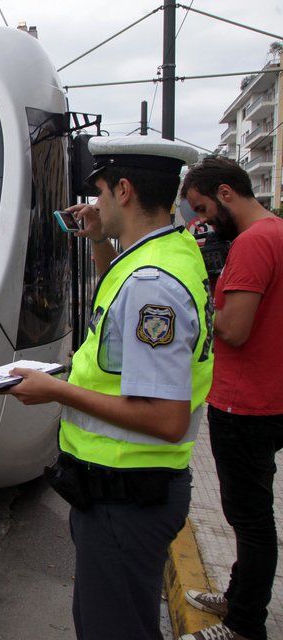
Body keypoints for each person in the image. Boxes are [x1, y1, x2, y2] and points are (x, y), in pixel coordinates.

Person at [6, 136, 213, 640]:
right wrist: (98, 238)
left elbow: (166, 418)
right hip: (129, 491)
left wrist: (55, 391)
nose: (94, 204)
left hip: (127, 497)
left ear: (123, 190)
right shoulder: (169, 252)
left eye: (99, 193)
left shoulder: (152, 284)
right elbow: (120, 310)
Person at [177, 157, 283, 640]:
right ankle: (239, 598)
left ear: (225, 193)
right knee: (251, 515)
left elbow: (234, 329)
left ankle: (244, 625)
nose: (203, 221)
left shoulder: (253, 243)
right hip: (268, 395)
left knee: (249, 519)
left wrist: (198, 301)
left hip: (244, 401)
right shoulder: (276, 232)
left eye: (202, 208)